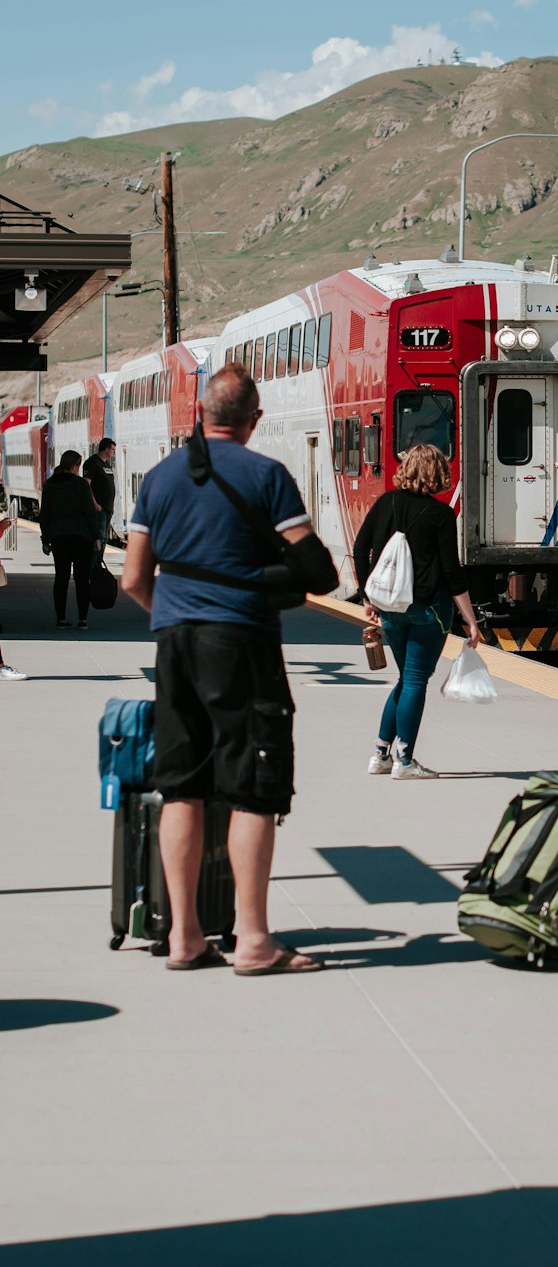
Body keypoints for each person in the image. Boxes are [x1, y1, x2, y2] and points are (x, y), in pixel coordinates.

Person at [122, 362, 333, 974]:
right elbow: (314, 570)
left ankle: (184, 936)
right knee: (252, 789)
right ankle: (254, 941)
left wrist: (175, 614)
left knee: (181, 786)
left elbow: (134, 578)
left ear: (200, 414)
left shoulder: (159, 479)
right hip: (241, 642)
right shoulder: (267, 475)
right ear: (254, 420)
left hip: (174, 642)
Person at [353, 442, 481, 779]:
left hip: (390, 610)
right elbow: (452, 572)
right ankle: (405, 761)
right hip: (429, 610)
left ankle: (380, 755)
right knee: (414, 680)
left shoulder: (385, 503)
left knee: (406, 679)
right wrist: (471, 621)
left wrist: (368, 597)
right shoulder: (440, 515)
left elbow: (359, 548)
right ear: (438, 473)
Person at [39, 450, 101, 629]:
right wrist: (96, 536)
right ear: (75, 465)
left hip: (59, 537)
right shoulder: (81, 484)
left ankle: (61, 618)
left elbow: (45, 515)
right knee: (82, 579)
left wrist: (45, 539)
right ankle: (83, 619)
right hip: (81, 536)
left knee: (61, 578)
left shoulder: (50, 484)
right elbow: (90, 513)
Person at [83, 437, 116, 553]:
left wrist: (111, 507)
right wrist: (95, 504)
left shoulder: (106, 464)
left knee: (104, 539)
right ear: (106, 449)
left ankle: (98, 565)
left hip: (107, 509)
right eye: (112, 449)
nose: (113, 452)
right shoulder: (92, 463)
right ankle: (92, 566)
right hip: (98, 509)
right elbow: (87, 484)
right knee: (98, 539)